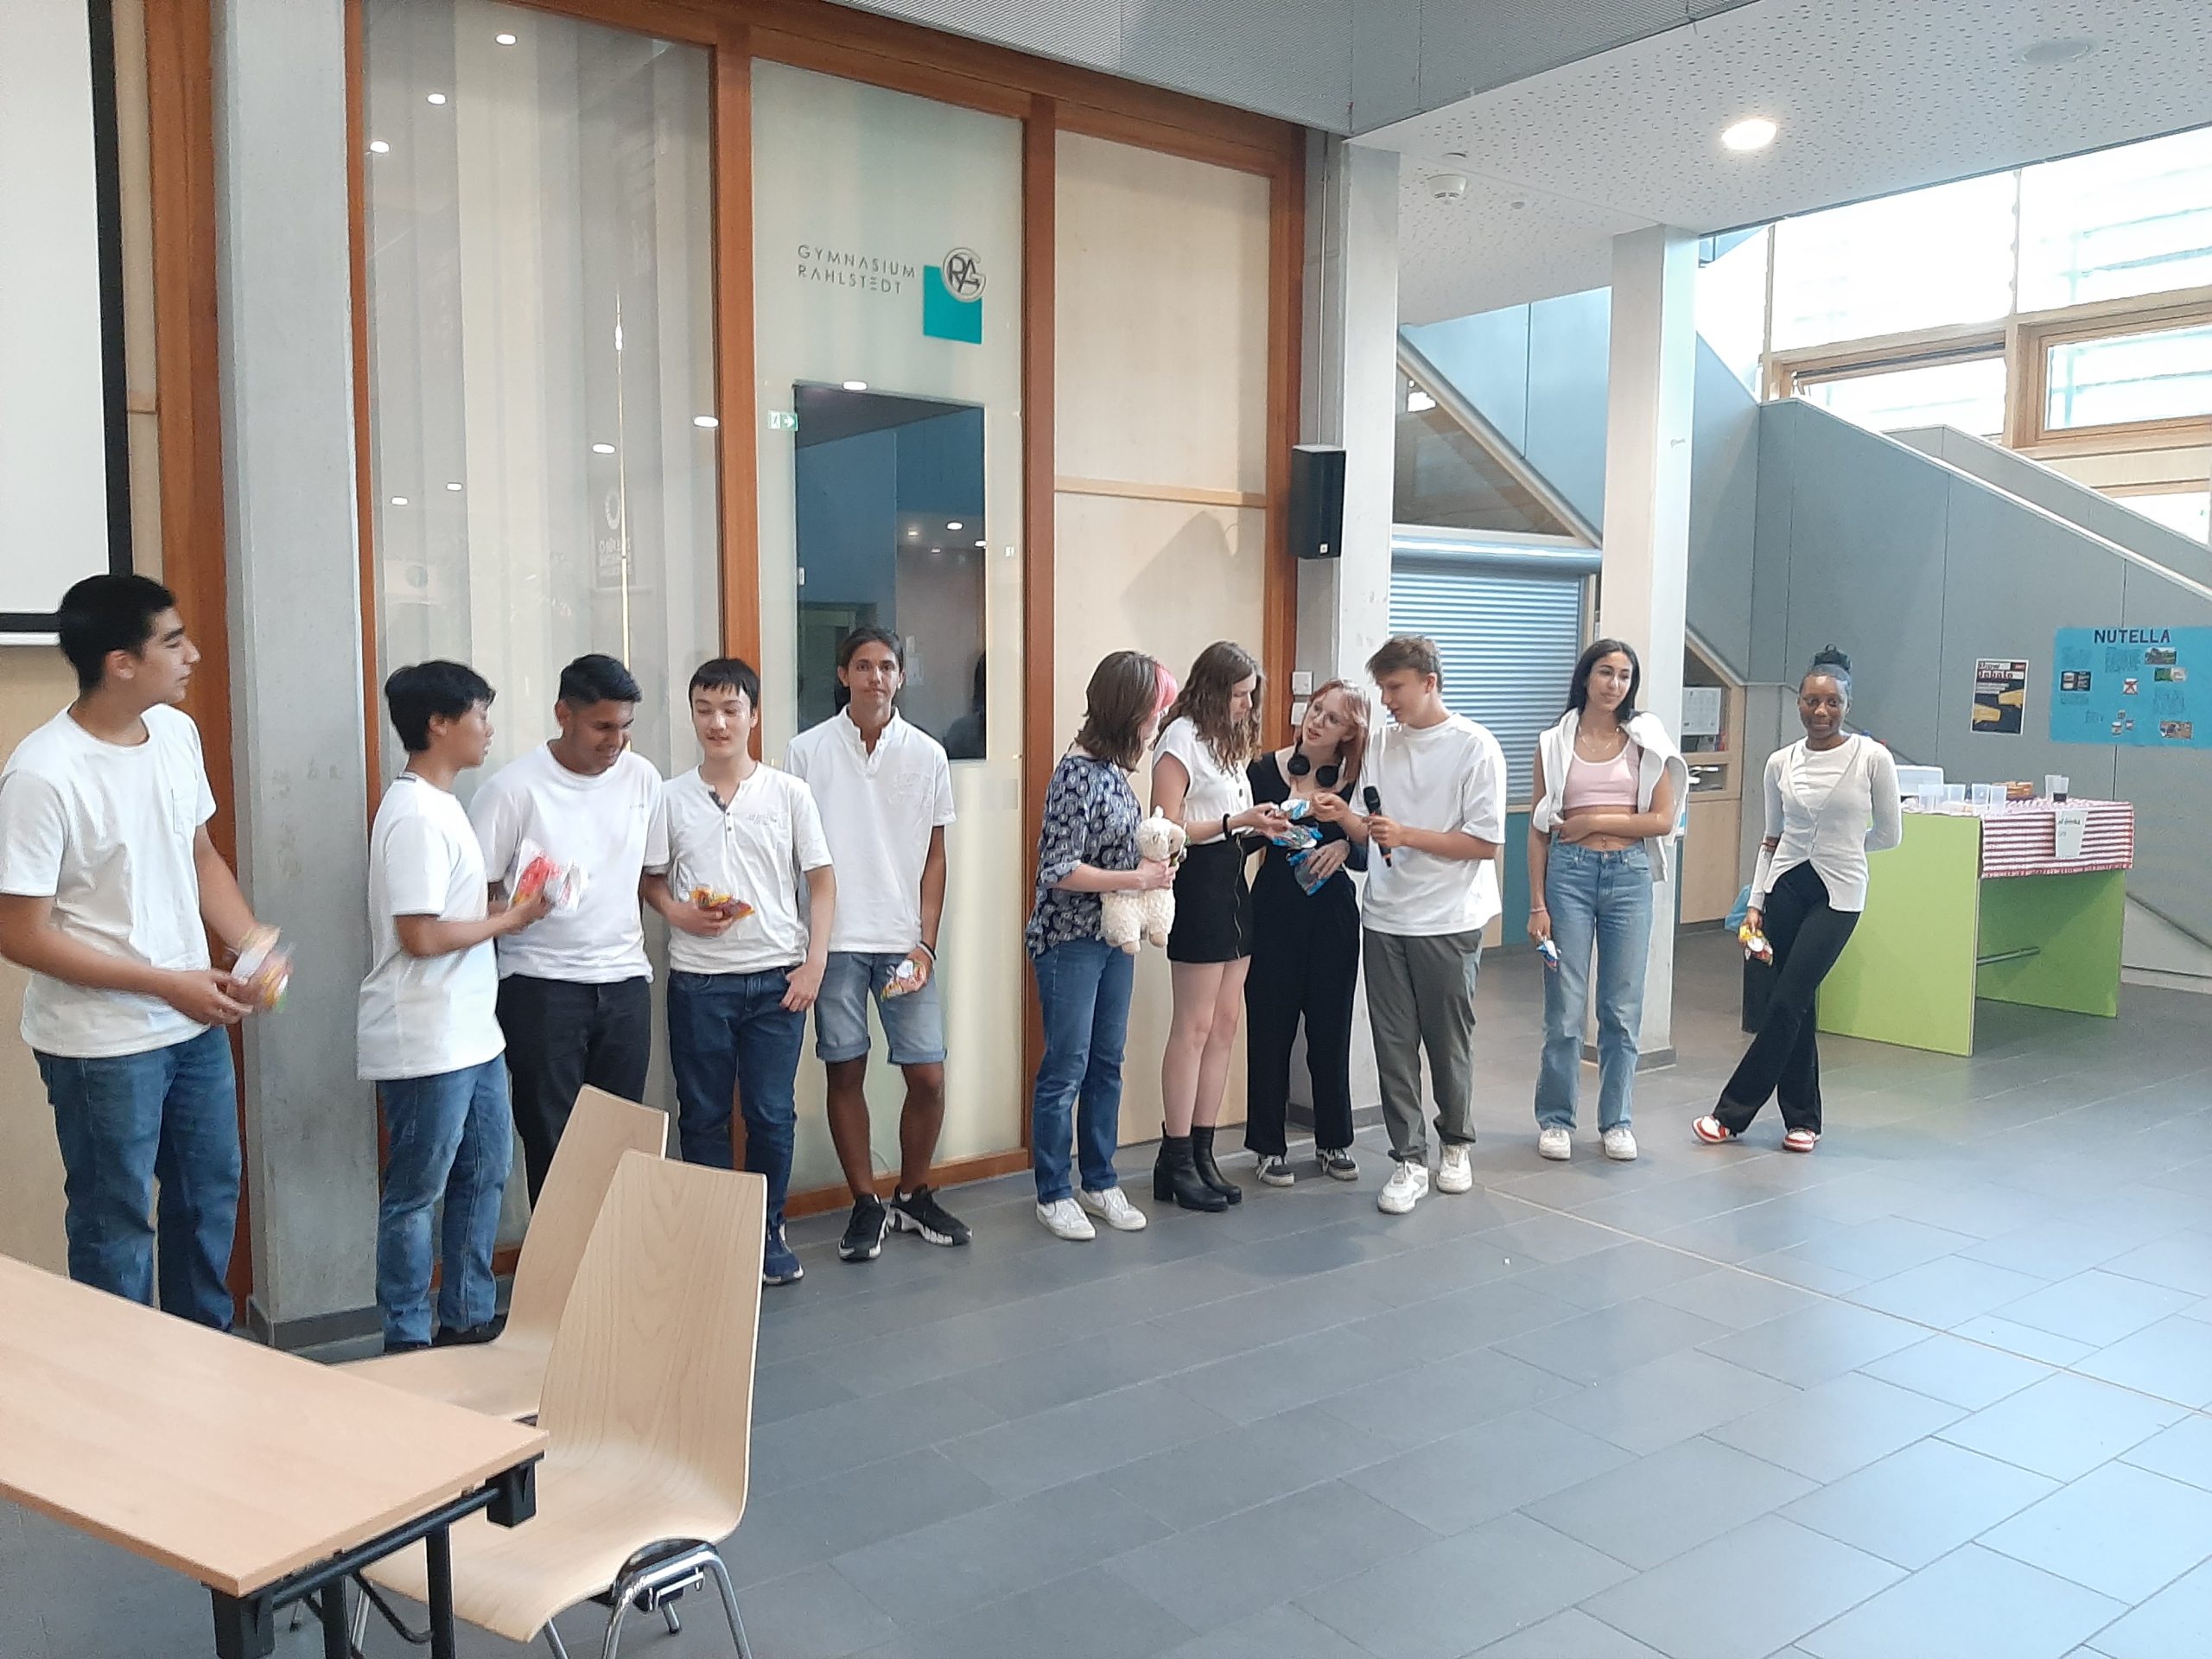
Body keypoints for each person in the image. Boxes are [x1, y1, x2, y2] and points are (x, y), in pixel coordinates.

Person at [0, 575, 278, 1329]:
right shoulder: (42, 773)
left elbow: (200, 855)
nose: (193, 655)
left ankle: (203, 1361)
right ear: (120, 662)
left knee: (209, 1198)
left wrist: (252, 944)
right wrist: (164, 983)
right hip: (101, 1045)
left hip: (193, 1026)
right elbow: (19, 933)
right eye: (173, 642)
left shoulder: (176, 734)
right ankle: (118, 1381)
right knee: (115, 1222)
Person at [359, 663, 552, 1353]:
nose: (488, 729)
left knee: (484, 1172)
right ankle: (407, 1334)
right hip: (426, 1034)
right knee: (417, 1192)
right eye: (479, 714)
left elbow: (451, 914)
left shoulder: (444, 806)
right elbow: (420, 936)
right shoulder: (415, 814)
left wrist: (507, 903)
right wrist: (510, 920)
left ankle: (467, 1313)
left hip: (472, 1030)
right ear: (438, 724)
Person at [645, 658, 834, 1287]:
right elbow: (651, 880)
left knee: (771, 1114)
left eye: (730, 709)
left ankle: (766, 1230)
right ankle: (711, 1236)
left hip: (777, 980)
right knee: (700, 1114)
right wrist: (679, 912)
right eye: (704, 710)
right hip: (698, 981)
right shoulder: (669, 797)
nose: (717, 723)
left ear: (754, 715)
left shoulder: (789, 793)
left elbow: (822, 881)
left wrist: (814, 963)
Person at [786, 627, 968, 1263]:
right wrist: (807, 941)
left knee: (928, 1074)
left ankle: (913, 1193)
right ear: (843, 675)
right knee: (846, 1069)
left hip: (901, 942)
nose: (876, 677)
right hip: (834, 941)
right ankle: (865, 1202)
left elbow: (936, 856)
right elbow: (796, 854)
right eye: (863, 666)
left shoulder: (928, 754)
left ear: (901, 676)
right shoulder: (806, 751)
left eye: (887, 666)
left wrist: (926, 943)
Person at [1319, 634, 1505, 1217]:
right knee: (1393, 1044)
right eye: (1382, 688)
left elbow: (1484, 843)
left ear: (1429, 682)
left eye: (1395, 687)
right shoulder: (1381, 744)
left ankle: (1457, 1144)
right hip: (1385, 915)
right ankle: (1408, 1158)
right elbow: (1370, 829)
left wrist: (1407, 835)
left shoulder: (1475, 746)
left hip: (1449, 918)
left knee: (1447, 1041)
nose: (1387, 700)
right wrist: (1344, 817)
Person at [469, 653, 665, 1202]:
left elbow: (649, 873)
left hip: (624, 981)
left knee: (621, 1139)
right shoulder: (513, 789)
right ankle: (560, 1256)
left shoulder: (643, 779)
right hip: (540, 984)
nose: (616, 741)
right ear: (563, 714)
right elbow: (476, 894)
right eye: (603, 726)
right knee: (551, 1140)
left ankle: (613, 1252)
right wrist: (520, 907)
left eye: (625, 727)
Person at [1697, 648, 1899, 1153]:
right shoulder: (1780, 762)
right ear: (1799, 704)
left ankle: (1731, 1114)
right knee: (1793, 1005)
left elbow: (1889, 834)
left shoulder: (1872, 759)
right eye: (1811, 701)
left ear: (1847, 704)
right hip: (1785, 886)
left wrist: (1847, 847)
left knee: (1788, 1000)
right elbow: (1772, 837)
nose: (1821, 711)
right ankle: (1803, 1119)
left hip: (1839, 892)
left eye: (1832, 702)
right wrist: (1755, 901)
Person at [1027, 651, 1174, 1242]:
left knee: (1106, 1062)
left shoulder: (1114, 773)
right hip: (1070, 941)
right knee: (1067, 1066)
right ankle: (1052, 1191)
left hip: (1114, 937)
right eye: (1153, 711)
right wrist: (1137, 879)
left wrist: (1154, 868)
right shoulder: (1076, 775)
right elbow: (1058, 869)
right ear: (1127, 711)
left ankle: (1099, 1179)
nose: (1156, 722)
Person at [1526, 639, 1688, 1164]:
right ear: (1586, 677)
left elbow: (1662, 820)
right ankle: (1556, 1119)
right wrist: (1537, 903)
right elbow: (1539, 828)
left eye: (1624, 676)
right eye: (1605, 672)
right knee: (1565, 1008)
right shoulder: (1554, 741)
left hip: (1629, 874)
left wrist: (1594, 819)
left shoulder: (1646, 739)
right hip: (1568, 875)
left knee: (1621, 1008)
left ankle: (1617, 1120)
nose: (1614, 684)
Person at [1149, 641, 1289, 1212]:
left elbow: (1234, 822)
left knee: (1226, 1024)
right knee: (1194, 1025)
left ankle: (1204, 1151)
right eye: (1238, 696)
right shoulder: (1179, 738)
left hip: (1233, 883)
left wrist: (1265, 826)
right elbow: (1166, 828)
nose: (1246, 706)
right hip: (1197, 886)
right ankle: (1175, 1155)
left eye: (1251, 696)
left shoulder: (1229, 745)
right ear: (1211, 691)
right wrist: (1236, 821)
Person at [1243, 678, 1368, 1187]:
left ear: (1348, 734)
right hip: (1273, 911)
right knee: (1270, 1030)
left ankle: (1334, 1140)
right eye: (1316, 709)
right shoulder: (1262, 771)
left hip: (1332, 916)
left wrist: (1344, 844)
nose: (1317, 721)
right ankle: (1267, 1146)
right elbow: (1239, 841)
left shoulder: (1356, 781)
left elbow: (1372, 852)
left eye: (1332, 719)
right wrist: (1266, 825)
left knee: (1331, 1029)